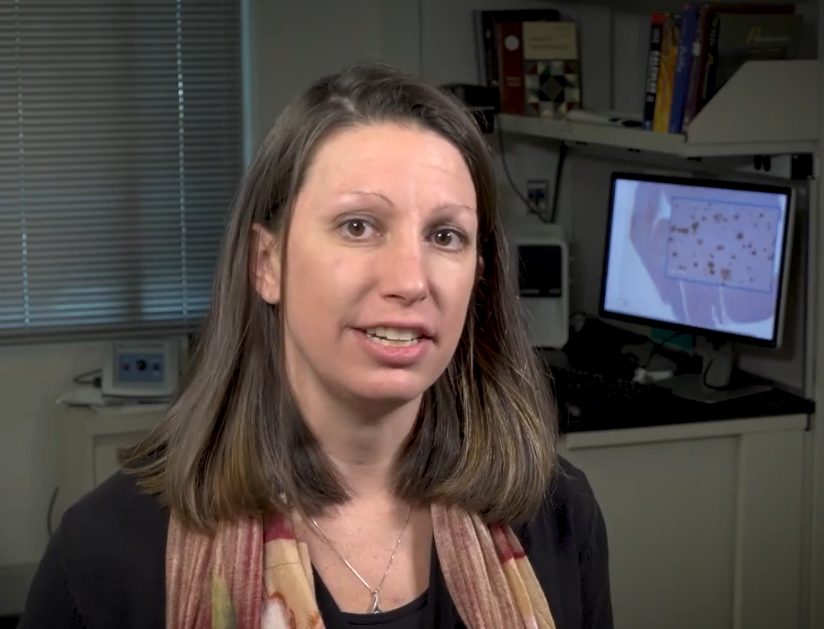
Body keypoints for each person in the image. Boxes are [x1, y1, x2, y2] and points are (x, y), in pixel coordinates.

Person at [19, 64, 613, 629]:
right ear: (267, 262)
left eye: (444, 235)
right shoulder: (105, 553)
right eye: (359, 226)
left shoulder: (558, 516)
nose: (410, 280)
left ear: (477, 276)